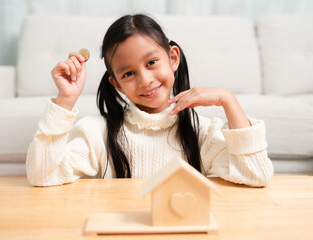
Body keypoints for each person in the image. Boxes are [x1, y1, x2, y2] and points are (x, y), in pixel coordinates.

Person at [26, 14, 274, 187]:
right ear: (117, 84)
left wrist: (228, 101)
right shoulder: (97, 133)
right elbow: (43, 176)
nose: (145, 80)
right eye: (129, 73)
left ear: (173, 58)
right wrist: (65, 100)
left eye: (152, 62)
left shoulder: (202, 132)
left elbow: (257, 175)